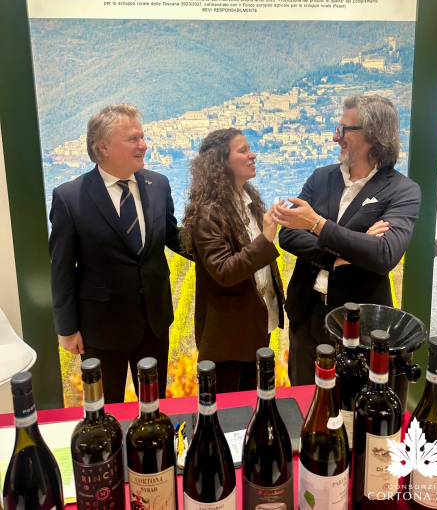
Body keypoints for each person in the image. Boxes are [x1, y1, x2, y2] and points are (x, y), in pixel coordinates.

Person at [274, 95, 421, 386]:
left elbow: (384, 254)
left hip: (360, 326)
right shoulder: (321, 178)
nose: (335, 137)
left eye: (344, 130)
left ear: (373, 136)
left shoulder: (403, 190)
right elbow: (288, 234)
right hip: (306, 314)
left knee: (352, 405)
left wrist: (316, 224)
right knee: (303, 400)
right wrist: (344, 254)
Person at [49, 104, 190, 403]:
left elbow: (172, 236)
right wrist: (67, 330)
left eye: (142, 136)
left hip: (154, 321)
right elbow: (62, 268)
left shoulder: (158, 184)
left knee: (153, 405)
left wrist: (221, 253)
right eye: (133, 139)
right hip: (101, 328)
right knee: (105, 410)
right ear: (103, 147)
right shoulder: (69, 198)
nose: (143, 145)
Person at [181, 128, 284, 393]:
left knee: (252, 402)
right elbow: (225, 271)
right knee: (229, 410)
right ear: (221, 161)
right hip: (228, 337)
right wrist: (266, 239)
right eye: (243, 151)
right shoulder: (209, 214)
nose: (253, 155)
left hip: (255, 325)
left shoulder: (249, 201)